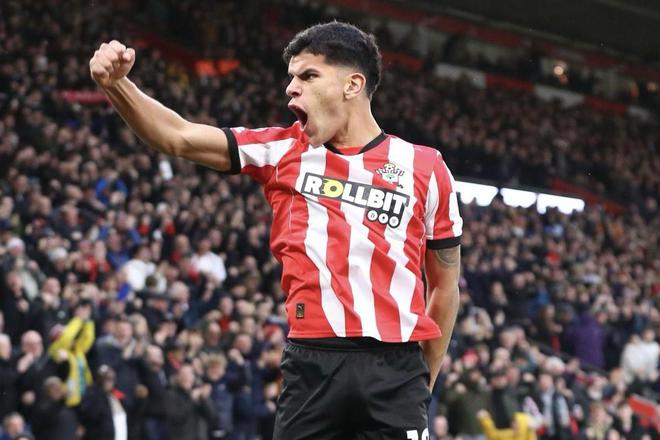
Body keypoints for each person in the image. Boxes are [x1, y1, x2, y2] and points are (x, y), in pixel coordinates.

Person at [89, 21, 462, 439]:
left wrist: (423, 382)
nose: (291, 89)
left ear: (353, 85)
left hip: (396, 370)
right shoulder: (281, 150)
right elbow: (178, 137)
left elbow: (444, 286)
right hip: (310, 366)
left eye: (308, 75)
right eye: (291, 78)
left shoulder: (425, 168)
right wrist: (117, 85)